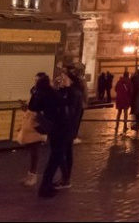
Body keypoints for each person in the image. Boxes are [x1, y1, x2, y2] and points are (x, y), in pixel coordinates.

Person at [40, 69, 84, 197]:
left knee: (59, 155)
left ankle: (63, 179)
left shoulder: (73, 93)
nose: (62, 79)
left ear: (70, 80)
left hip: (64, 130)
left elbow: (70, 112)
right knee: (63, 153)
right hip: (64, 129)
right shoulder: (65, 92)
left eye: (64, 77)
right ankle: (64, 178)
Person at [20, 73, 53, 187]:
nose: (35, 82)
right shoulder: (34, 92)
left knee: (34, 150)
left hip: (37, 125)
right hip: (30, 123)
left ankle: (33, 175)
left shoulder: (44, 94)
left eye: (37, 80)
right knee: (31, 149)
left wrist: (31, 111)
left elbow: (40, 109)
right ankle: (30, 174)